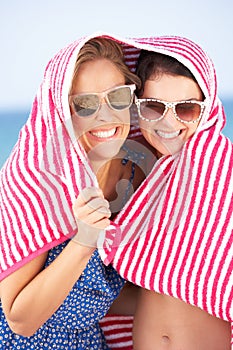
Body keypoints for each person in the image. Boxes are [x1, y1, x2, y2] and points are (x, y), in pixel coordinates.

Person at [0, 34, 144, 349]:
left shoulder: (135, 174)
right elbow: (20, 320)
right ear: (61, 110)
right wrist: (84, 239)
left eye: (117, 96)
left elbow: (98, 293)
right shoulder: (36, 180)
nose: (106, 114)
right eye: (86, 103)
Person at [99, 36, 233, 349]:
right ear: (136, 107)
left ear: (208, 106)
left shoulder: (221, 169)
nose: (168, 122)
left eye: (186, 109)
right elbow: (148, 283)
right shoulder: (136, 180)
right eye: (154, 107)